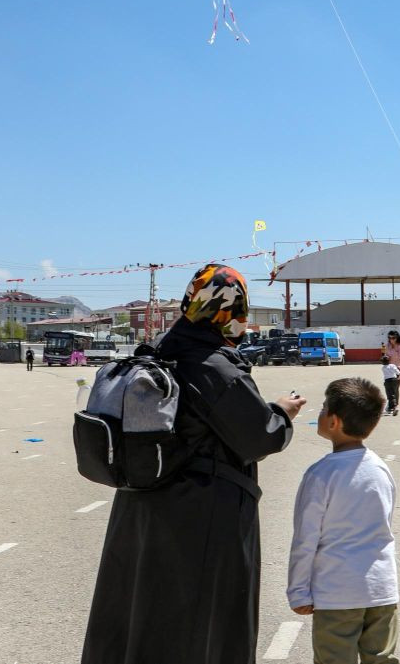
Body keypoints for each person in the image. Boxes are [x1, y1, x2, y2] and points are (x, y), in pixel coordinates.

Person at [81, 264, 305, 664]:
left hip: (144, 510)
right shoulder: (211, 364)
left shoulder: (160, 351)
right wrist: (282, 412)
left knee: (142, 612)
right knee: (201, 623)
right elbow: (259, 436)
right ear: (231, 310)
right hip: (201, 516)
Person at [288, 377, 398, 664]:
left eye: (324, 408)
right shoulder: (380, 469)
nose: (321, 412)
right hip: (381, 591)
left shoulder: (320, 474)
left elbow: (306, 537)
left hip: (337, 593)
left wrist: (299, 591)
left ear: (334, 422)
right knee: (382, 659)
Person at [383, 331, 400, 416]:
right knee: (390, 388)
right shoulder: (388, 346)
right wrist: (385, 359)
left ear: (397, 338)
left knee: (395, 387)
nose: (391, 340)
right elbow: (386, 355)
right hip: (391, 370)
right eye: (389, 338)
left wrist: (399, 367)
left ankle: (395, 406)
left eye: (393, 338)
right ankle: (391, 404)